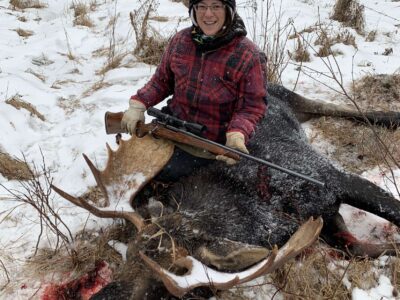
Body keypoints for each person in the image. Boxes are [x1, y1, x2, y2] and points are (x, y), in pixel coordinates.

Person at [122, 0, 267, 182]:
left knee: (158, 176)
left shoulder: (249, 55)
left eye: (216, 6)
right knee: (129, 164)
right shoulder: (180, 41)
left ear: (229, 11)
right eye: (202, 6)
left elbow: (251, 107)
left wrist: (237, 134)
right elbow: (162, 81)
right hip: (168, 127)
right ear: (193, 10)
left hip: (209, 143)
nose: (208, 14)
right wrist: (138, 104)